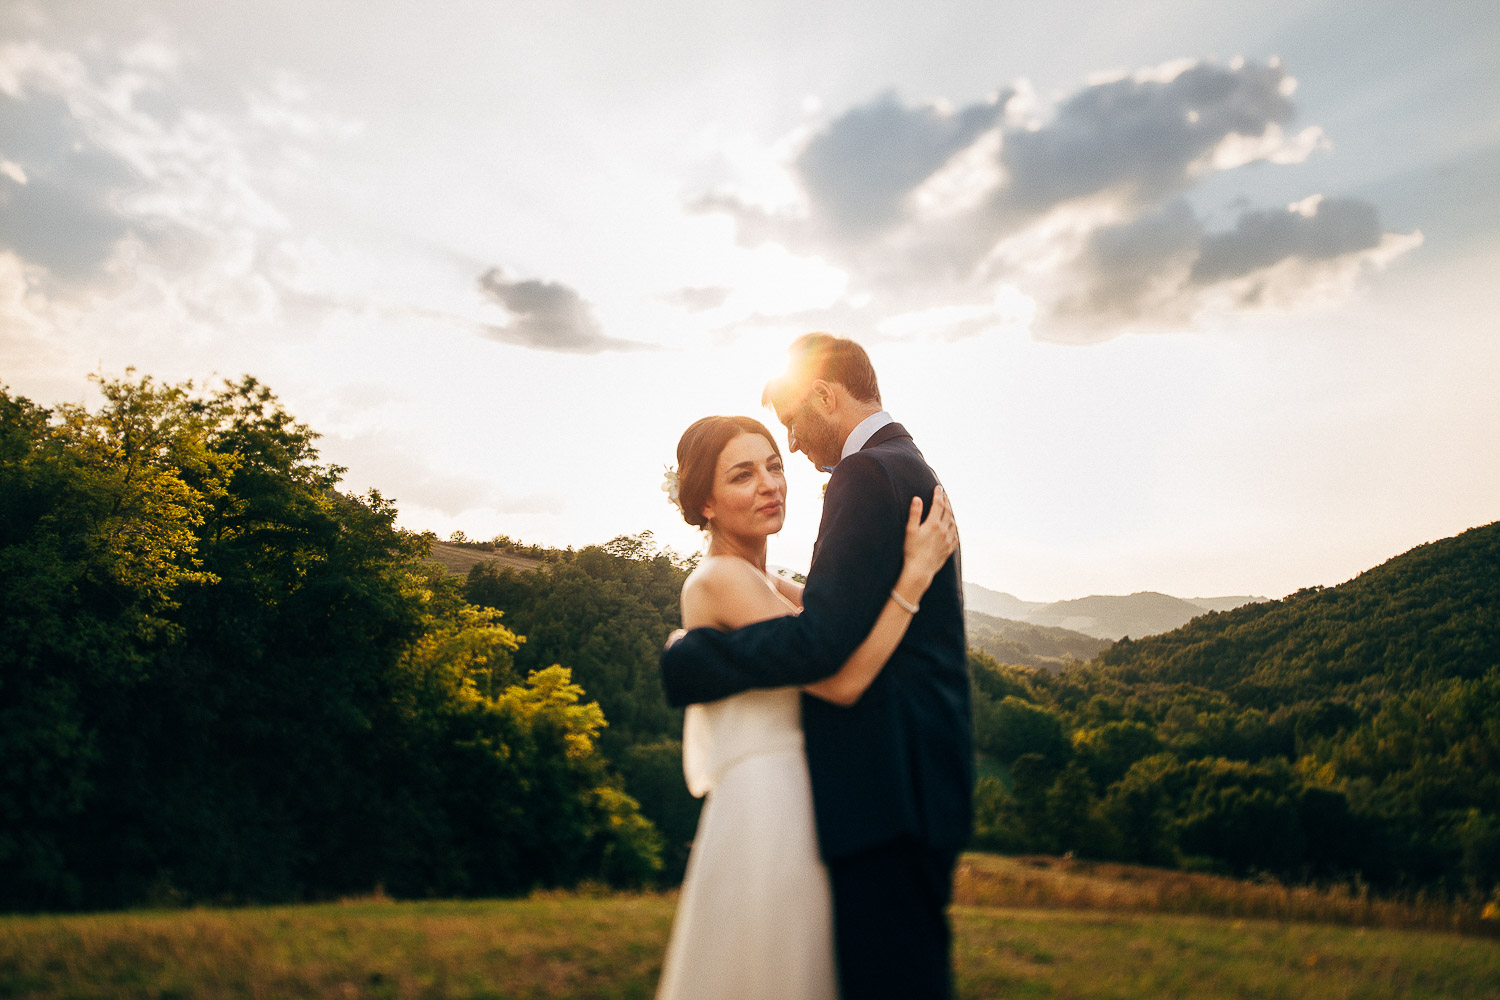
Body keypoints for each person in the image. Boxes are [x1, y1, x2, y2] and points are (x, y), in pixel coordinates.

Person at [660, 333, 972, 1000]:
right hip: (785, 804)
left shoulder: (866, 474)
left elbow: (822, 639)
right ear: (705, 501)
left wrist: (689, 657)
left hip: (864, 796)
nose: (788, 463)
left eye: (783, 446)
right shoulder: (899, 466)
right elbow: (831, 651)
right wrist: (910, 580)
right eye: (744, 473)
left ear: (826, 395)